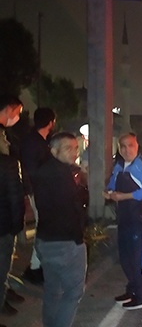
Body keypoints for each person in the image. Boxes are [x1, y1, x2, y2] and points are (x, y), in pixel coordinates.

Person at [31, 132, 87, 327]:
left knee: (53, 290)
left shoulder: (47, 170)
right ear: (54, 151)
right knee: (73, 292)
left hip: (46, 239)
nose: (74, 152)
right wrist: (79, 238)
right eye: (68, 148)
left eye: (75, 147)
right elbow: (70, 210)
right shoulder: (60, 174)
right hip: (65, 242)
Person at [104, 133, 142, 310]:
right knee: (126, 256)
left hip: (140, 217)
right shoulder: (119, 166)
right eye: (123, 146)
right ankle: (133, 289)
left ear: (137, 146)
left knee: (138, 256)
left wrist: (124, 196)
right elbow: (112, 184)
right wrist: (108, 192)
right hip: (125, 217)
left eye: (130, 145)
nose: (126, 150)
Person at [20, 107, 56, 285]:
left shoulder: (35, 140)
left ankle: (36, 266)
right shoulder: (35, 143)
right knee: (42, 228)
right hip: (39, 191)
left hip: (38, 190)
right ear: (51, 123)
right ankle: (34, 268)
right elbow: (33, 171)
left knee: (43, 227)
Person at [0, 95, 24, 321]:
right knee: (2, 263)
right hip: (4, 222)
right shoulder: (8, 164)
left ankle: (5, 294)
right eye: (16, 112)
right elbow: (14, 197)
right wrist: (18, 225)